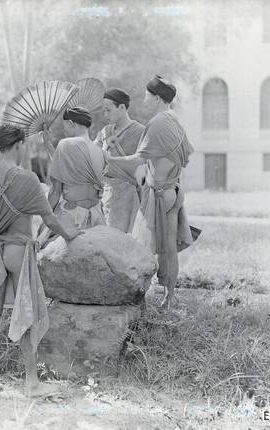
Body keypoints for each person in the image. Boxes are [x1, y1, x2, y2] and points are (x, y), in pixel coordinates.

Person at [0, 124, 83, 397]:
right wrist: (70, 235)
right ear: (18, 145)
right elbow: (49, 219)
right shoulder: (26, 178)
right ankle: (31, 383)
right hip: (18, 249)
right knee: (27, 313)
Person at [107, 75, 195, 308]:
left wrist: (109, 158)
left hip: (159, 194)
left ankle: (140, 300)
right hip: (175, 191)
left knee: (142, 247)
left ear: (157, 98)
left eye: (147, 97)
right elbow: (186, 155)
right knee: (168, 249)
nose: (144, 100)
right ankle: (168, 298)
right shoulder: (175, 120)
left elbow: (137, 158)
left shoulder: (157, 123)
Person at [38, 107, 107, 246]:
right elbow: (68, 166)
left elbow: (55, 191)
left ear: (70, 123)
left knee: (41, 245)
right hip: (96, 216)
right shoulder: (99, 151)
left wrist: (46, 217)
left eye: (64, 125)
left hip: (72, 216)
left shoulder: (66, 144)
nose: (64, 130)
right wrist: (47, 143)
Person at [93, 88, 145, 233]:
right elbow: (90, 152)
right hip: (104, 192)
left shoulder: (140, 131)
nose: (105, 115)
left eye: (108, 110)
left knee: (120, 239)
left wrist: (112, 159)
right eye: (103, 111)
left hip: (126, 195)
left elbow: (142, 160)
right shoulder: (105, 131)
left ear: (122, 107)